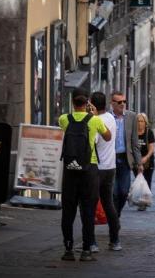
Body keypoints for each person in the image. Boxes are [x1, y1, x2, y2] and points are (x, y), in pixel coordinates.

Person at [59, 92, 111, 262]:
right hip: (89, 168)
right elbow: (108, 136)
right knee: (88, 211)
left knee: (68, 211)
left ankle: (68, 249)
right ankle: (87, 250)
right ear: (87, 103)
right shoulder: (95, 120)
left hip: (70, 169)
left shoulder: (64, 118)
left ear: (72, 103)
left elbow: (64, 128)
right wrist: (94, 115)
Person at [89, 91, 121, 252]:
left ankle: (92, 243)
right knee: (108, 203)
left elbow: (91, 142)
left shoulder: (95, 121)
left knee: (91, 204)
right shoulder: (110, 118)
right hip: (110, 167)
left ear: (92, 105)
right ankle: (115, 240)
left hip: (97, 168)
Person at [110, 92, 140, 217]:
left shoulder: (131, 116)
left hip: (125, 158)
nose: (122, 104)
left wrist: (139, 163)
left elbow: (134, 141)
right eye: (119, 102)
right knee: (114, 192)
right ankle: (114, 217)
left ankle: (117, 213)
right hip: (110, 159)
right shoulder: (107, 117)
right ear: (112, 103)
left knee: (124, 191)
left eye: (124, 102)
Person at [133, 112, 155, 198]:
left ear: (145, 122)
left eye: (142, 121)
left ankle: (145, 200)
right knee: (138, 180)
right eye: (138, 121)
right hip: (136, 161)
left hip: (148, 162)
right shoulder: (133, 133)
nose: (140, 123)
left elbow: (151, 148)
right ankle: (140, 198)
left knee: (147, 180)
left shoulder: (149, 133)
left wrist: (146, 157)